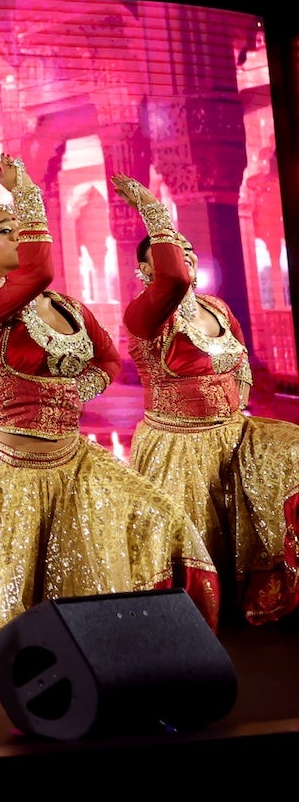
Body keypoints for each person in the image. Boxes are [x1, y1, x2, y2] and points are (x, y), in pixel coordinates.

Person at [0, 155, 217, 662]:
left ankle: (160, 636)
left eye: (21, 227)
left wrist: (153, 212)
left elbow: (110, 358)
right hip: (13, 470)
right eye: (4, 231)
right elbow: (40, 268)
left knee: (159, 514)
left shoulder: (70, 308)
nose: (18, 234)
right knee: (4, 603)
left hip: (73, 460)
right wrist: (26, 191)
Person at [115, 173, 297, 624]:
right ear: (146, 270)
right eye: (172, 251)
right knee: (194, 539)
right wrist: (153, 209)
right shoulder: (145, 315)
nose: (186, 257)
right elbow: (173, 278)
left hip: (232, 433)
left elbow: (241, 360)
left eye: (189, 250)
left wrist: (239, 410)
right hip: (178, 445)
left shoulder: (217, 306)